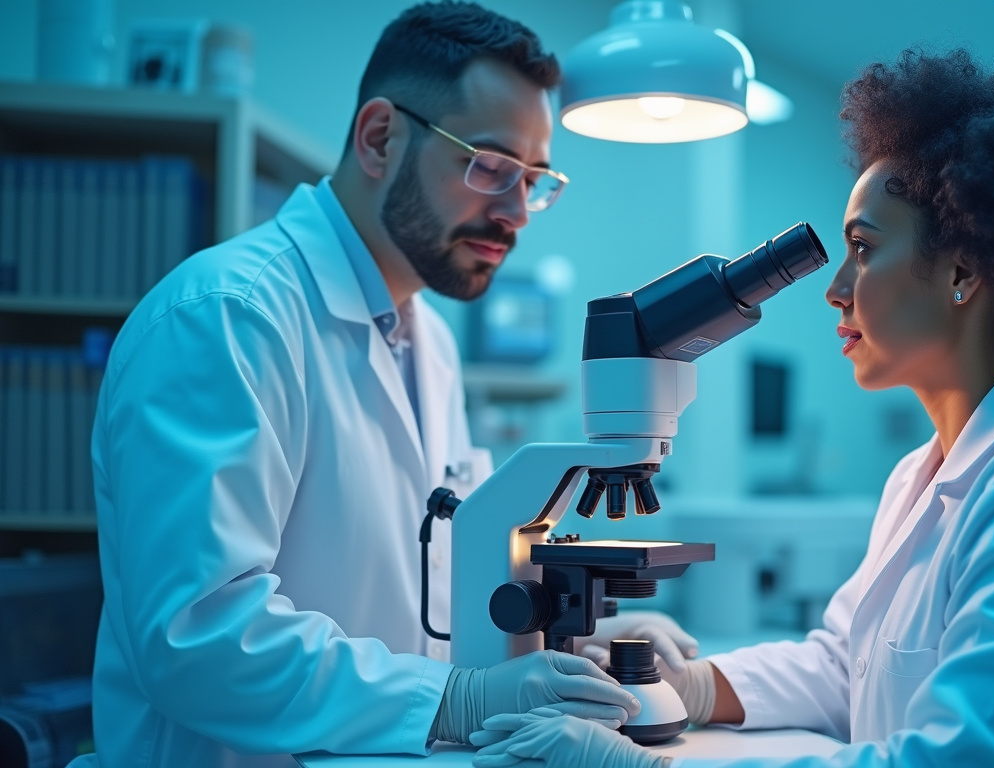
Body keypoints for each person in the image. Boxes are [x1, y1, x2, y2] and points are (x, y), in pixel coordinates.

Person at [467, 48, 994, 768]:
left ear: (963, 271)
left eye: (863, 247)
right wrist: (694, 685)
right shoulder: (927, 472)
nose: (836, 286)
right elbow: (843, 665)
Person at [75, 3, 697, 767]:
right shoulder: (226, 318)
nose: (515, 214)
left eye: (534, 182)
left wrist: (583, 635)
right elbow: (198, 636)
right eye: (492, 167)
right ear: (379, 138)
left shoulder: (426, 339)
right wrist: (456, 700)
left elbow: (447, 575)